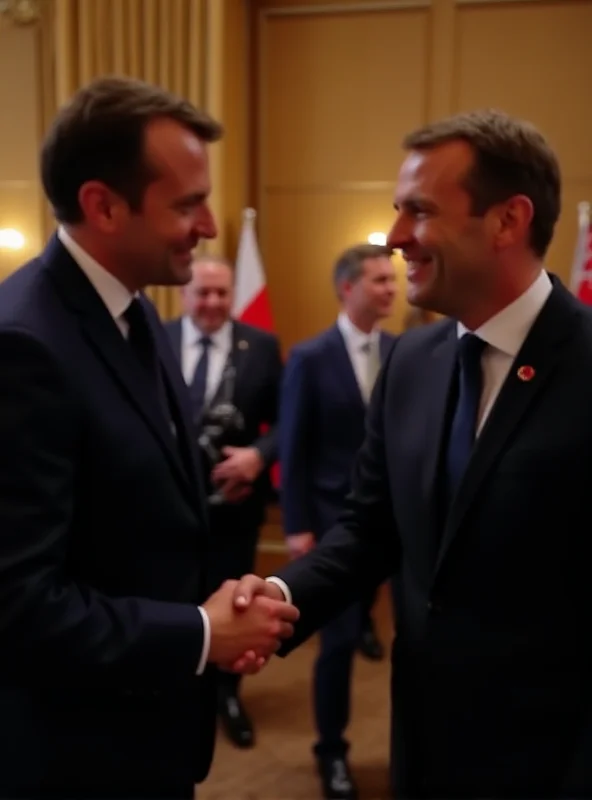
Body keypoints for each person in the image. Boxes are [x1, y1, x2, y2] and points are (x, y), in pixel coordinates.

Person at [230, 108, 592, 799]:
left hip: (551, 763)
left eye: (418, 212)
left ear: (509, 221)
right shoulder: (413, 362)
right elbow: (370, 530)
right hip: (423, 748)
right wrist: (275, 596)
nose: (394, 238)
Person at [0, 76, 298, 800]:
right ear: (103, 205)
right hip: (74, 758)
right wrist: (199, 634)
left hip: (148, 732)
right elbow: (19, 603)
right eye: (188, 205)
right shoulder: (23, 344)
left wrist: (217, 610)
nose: (208, 227)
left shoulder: (135, 309)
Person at [279, 243, 396, 799]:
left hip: (402, 525)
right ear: (347, 288)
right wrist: (297, 526)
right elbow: (294, 445)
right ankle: (332, 750)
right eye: (378, 280)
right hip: (332, 524)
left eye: (393, 280)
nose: (392, 288)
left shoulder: (405, 351)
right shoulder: (311, 355)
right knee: (341, 641)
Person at [166, 254, 283, 748]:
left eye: (221, 293)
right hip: (165, 511)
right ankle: (175, 690)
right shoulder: (155, 337)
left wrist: (258, 456)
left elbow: (287, 421)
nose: (212, 302)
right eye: (202, 292)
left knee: (233, 602)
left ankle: (227, 695)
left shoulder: (261, 345)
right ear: (184, 293)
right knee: (172, 599)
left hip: (235, 510)